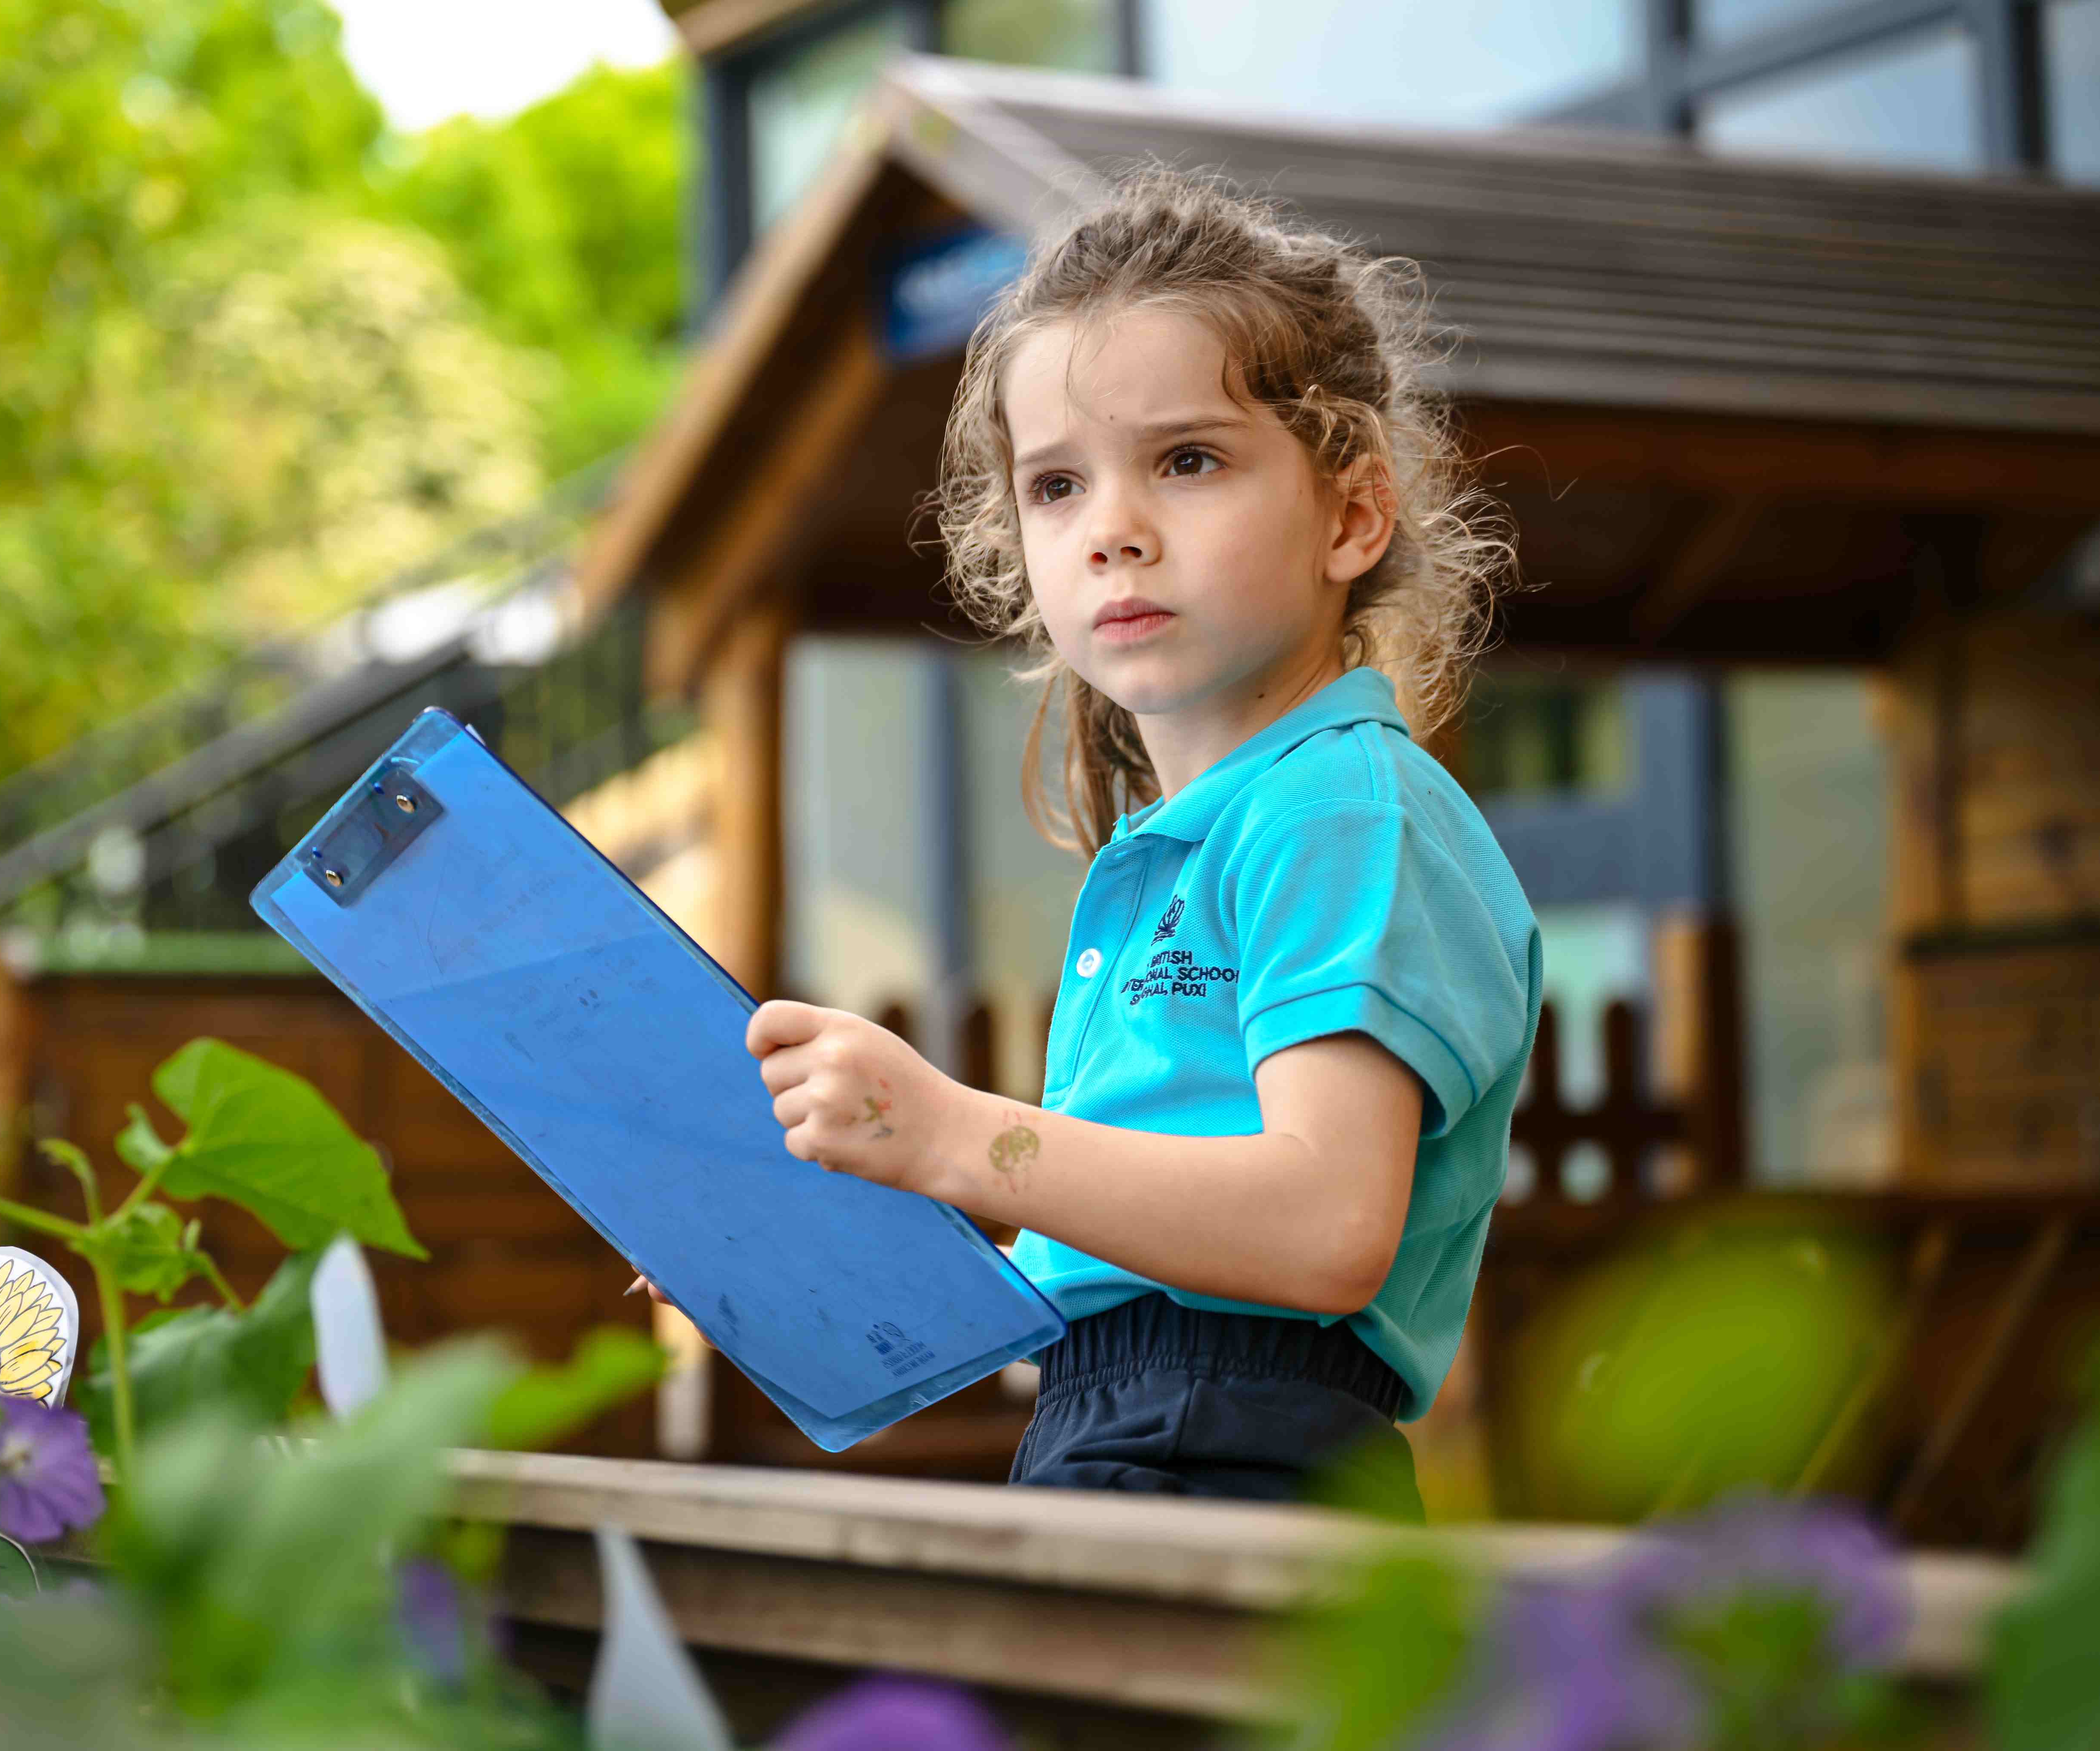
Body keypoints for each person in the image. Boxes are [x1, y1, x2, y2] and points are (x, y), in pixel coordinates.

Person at [634, 165, 1542, 1518]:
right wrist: (835, 1217)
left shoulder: (1340, 808)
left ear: (1351, 513)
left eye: (1187, 460)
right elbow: (1123, 1248)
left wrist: (954, 1134)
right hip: (1124, 1424)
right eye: (1056, 485)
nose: (1112, 530)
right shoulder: (1187, 843)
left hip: (1241, 1453)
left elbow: (1321, 1232)